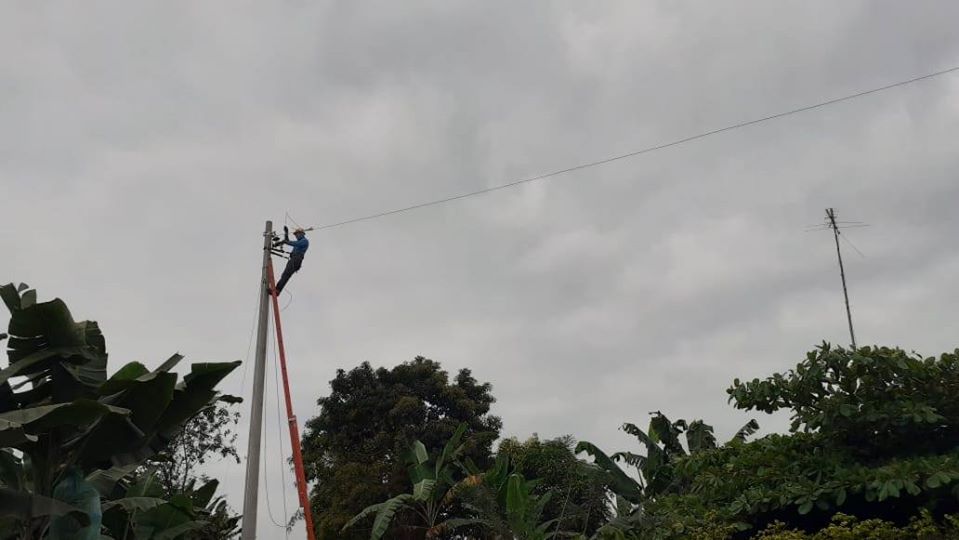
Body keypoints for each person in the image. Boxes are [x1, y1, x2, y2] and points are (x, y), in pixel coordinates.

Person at [272, 226, 309, 294]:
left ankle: (277, 290)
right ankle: (277, 289)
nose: (296, 236)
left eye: (297, 234)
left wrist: (284, 242)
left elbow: (293, 243)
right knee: (285, 274)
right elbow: (288, 241)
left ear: (302, 234)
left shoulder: (305, 241)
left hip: (296, 259)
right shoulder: (299, 241)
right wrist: (286, 233)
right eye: (295, 235)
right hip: (293, 259)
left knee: (286, 275)